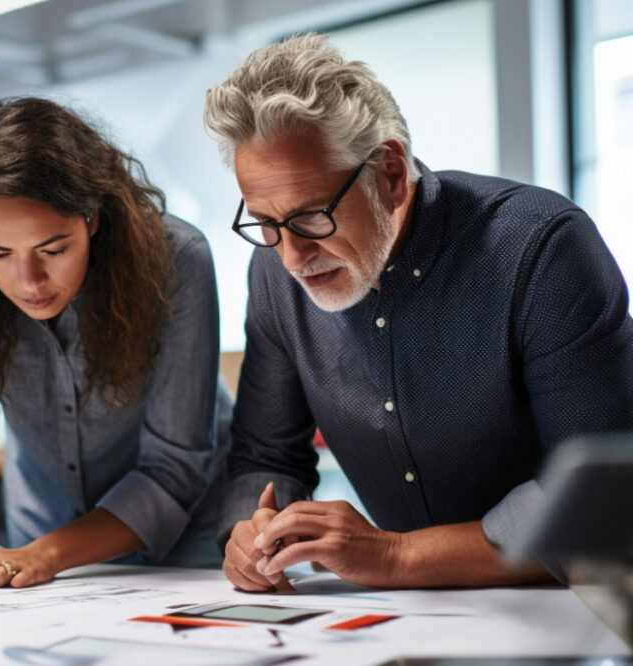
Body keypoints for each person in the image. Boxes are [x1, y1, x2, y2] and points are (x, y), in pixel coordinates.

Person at [203, 33, 633, 591]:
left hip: (574, 605)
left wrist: (397, 557)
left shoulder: (540, 247)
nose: (291, 255)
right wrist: (251, 533)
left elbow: (599, 502)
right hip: (412, 623)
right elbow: (265, 456)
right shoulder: (272, 276)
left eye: (311, 218)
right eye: (264, 222)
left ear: (390, 172)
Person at [0, 97, 230, 603]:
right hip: (39, 529)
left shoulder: (177, 258)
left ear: (92, 217)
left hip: (186, 536)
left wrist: (47, 554)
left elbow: (172, 468)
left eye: (53, 250)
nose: (29, 282)